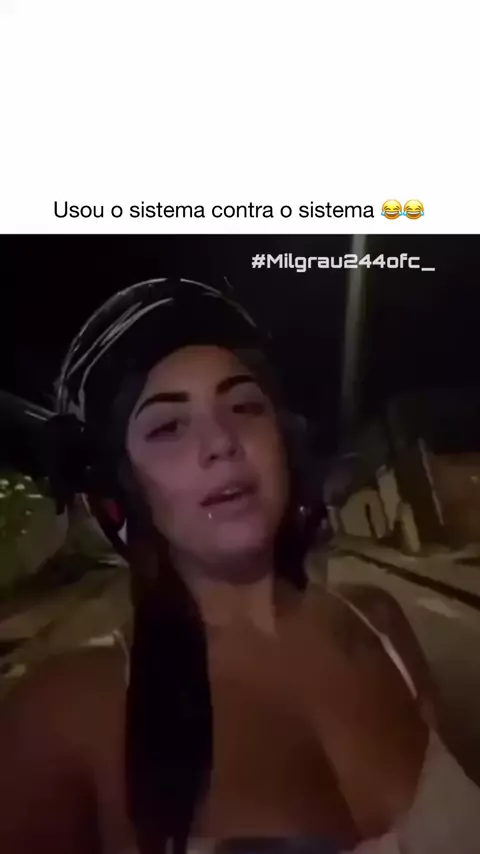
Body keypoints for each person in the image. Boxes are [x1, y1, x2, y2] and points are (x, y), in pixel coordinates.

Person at [1, 277, 480, 854]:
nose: (222, 442)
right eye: (168, 426)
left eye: (245, 406)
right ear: (120, 487)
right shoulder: (59, 719)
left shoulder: (380, 626)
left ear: (283, 437)